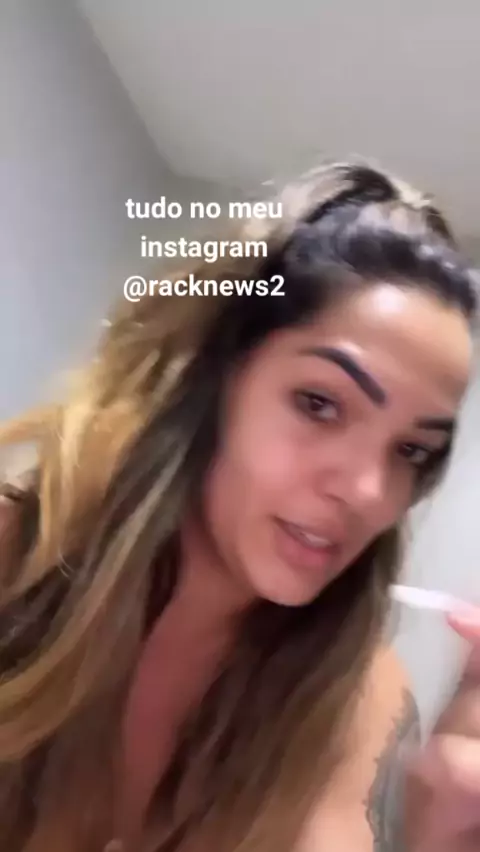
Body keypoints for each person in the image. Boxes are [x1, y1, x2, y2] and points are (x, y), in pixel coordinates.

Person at [0, 161, 479, 852]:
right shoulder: (16, 558)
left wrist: (445, 839)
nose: (369, 493)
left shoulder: (353, 696)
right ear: (208, 375)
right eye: (320, 404)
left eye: (411, 451)